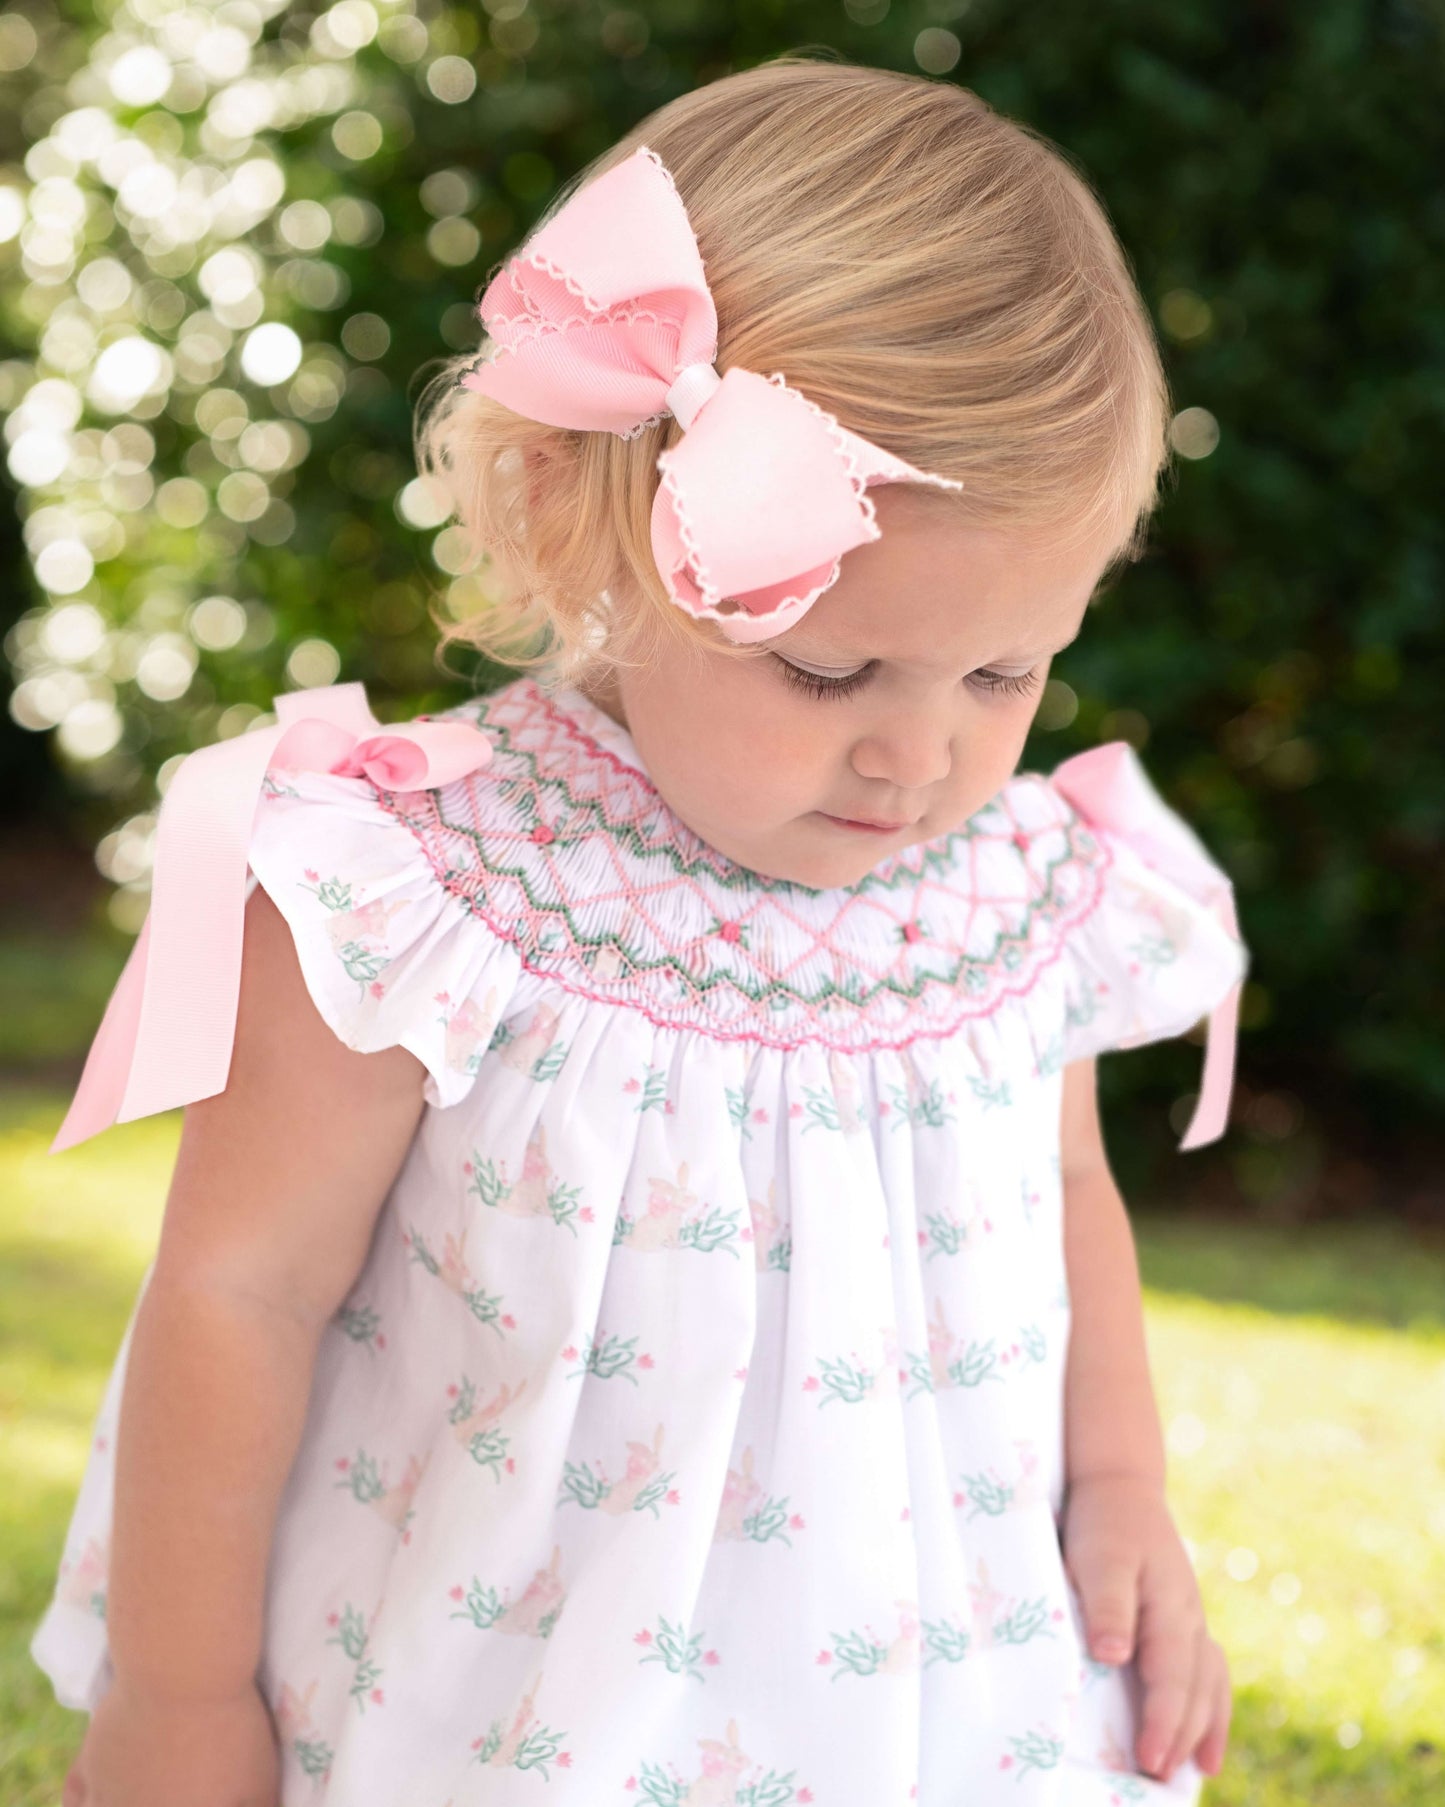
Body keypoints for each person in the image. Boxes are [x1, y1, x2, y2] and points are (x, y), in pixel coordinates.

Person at [33, 55, 1249, 1807]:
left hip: (927, 1689)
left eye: (1003, 673)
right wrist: (176, 1699)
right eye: (829, 669)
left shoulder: (1006, 896)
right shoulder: (433, 892)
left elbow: (1063, 1198)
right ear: (565, 512)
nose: (919, 758)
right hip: (507, 1701)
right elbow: (238, 1293)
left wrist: (1121, 1486)